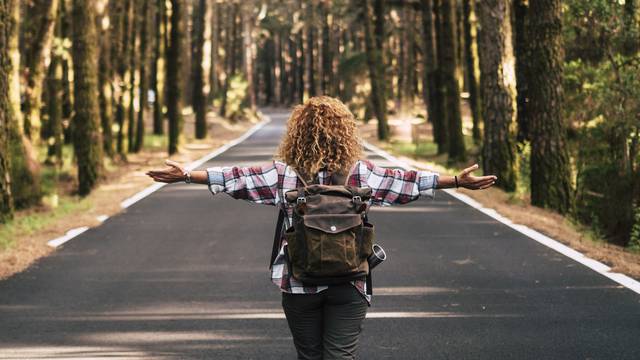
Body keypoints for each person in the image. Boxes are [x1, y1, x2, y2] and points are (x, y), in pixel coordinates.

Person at [146, 96, 497, 360]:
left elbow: (237, 178)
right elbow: (406, 182)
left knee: (309, 357)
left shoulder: (284, 175)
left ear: (297, 132)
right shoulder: (361, 174)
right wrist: (455, 181)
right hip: (351, 282)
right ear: (347, 132)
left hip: (299, 283)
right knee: (340, 356)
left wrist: (187, 176)